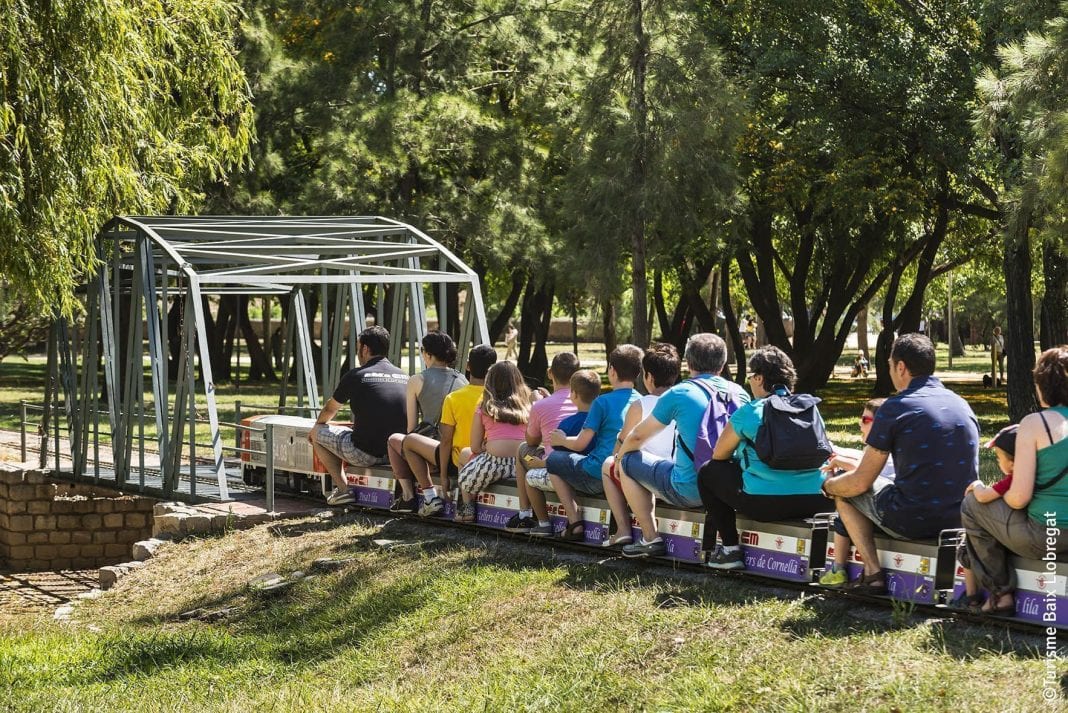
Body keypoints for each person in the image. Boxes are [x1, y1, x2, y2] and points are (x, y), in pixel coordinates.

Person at [822, 333, 980, 594]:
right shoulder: (962, 404)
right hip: (960, 518)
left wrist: (829, 486)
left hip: (914, 520)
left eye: (889, 365)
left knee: (844, 491)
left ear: (901, 367)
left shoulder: (895, 407)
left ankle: (872, 574)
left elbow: (861, 481)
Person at [616, 334, 749, 558]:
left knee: (628, 461)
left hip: (689, 488)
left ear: (688, 363)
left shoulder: (680, 392)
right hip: (729, 489)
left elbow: (637, 437)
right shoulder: (740, 393)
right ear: (723, 363)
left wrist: (619, 457)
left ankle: (650, 538)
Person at [700, 346, 833, 569]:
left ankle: (730, 550)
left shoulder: (750, 411)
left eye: (752, 376)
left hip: (766, 504)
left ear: (760, 378)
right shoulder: (810, 407)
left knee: (708, 471)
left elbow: (719, 455)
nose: (750, 382)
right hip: (817, 500)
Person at [958, 347, 1068, 615]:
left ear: (1042, 385)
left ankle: (1000, 595)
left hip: (1047, 535)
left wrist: (999, 494)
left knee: (972, 505)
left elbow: (1019, 497)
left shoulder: (1035, 424)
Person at [546, 345, 643, 541]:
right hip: (625, 472)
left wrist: (562, 440)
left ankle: (574, 522)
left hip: (596, 473)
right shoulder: (641, 400)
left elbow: (581, 444)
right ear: (638, 373)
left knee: (553, 460)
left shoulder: (602, 402)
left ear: (612, 371)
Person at [308, 326, 409, 505]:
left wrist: (317, 428)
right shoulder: (404, 376)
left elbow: (329, 410)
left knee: (317, 432)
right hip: (398, 452)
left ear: (364, 348)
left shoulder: (356, 375)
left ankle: (344, 490)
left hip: (364, 453)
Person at [600, 343, 680, 548]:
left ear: (649, 377)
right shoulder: (682, 402)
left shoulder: (641, 405)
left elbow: (625, 440)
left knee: (609, 465)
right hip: (677, 470)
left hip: (649, 476)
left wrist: (617, 460)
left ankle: (623, 530)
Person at [385, 331, 467, 513]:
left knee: (395, 440)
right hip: (457, 452)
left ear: (428, 354)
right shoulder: (462, 379)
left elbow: (411, 428)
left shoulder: (417, 380)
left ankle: (410, 496)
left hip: (433, 451)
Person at [818, 398, 894, 586]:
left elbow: (863, 473)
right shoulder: (889, 447)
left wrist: (840, 464)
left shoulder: (885, 451)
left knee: (845, 491)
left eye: (866, 420)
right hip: (886, 506)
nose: (860, 424)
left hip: (887, 511)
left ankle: (838, 568)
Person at [415, 344, 498, 517]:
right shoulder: (499, 398)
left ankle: (425, 496)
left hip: (458, 462)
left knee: (408, 441)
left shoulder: (454, 398)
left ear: (468, 365)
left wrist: (444, 476)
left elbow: (446, 440)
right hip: (491, 458)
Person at [505, 352, 581, 534]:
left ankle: (531, 516)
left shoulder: (540, 406)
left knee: (523, 449)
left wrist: (536, 405)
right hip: (580, 462)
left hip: (554, 466)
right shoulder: (586, 401)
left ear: (549, 373)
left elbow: (531, 440)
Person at [518, 369, 600, 536]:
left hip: (573, 476)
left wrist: (540, 464)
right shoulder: (602, 421)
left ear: (574, 395)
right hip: (597, 473)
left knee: (530, 477)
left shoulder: (566, 425)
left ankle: (543, 523)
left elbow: (557, 460)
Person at [949, 424, 1018, 611]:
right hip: (1012, 528)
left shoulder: (1014, 479)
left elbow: (983, 496)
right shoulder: (1027, 478)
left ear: (1012, 463)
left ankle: (971, 595)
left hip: (1011, 532)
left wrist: (977, 484)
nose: (996, 462)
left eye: (998, 457)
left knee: (968, 540)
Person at [455, 361, 532, 523]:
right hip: (522, 464)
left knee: (464, 454)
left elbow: (475, 447)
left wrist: (486, 445)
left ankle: (467, 506)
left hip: (492, 464)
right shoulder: (529, 406)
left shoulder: (484, 407)